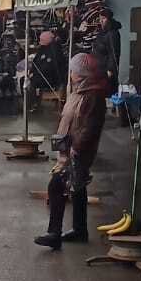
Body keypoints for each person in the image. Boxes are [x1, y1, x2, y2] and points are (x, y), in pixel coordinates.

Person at [35, 51, 107, 251]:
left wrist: (76, 148)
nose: (71, 73)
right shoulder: (80, 90)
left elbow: (90, 127)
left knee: (56, 186)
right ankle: (79, 230)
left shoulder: (93, 95)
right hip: (70, 147)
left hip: (78, 150)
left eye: (73, 70)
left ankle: (54, 233)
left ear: (81, 73)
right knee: (78, 187)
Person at [29, 28, 67, 106]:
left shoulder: (53, 50)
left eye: (41, 40)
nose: (40, 42)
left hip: (51, 78)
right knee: (27, 80)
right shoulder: (44, 49)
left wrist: (34, 74)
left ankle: (33, 103)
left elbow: (49, 67)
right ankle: (33, 102)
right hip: (44, 75)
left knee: (29, 83)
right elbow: (36, 62)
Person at [91, 10, 122, 95]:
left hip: (107, 70)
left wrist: (110, 69)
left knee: (108, 91)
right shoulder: (102, 32)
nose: (101, 21)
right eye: (100, 18)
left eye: (103, 18)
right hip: (100, 68)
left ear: (109, 19)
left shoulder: (112, 33)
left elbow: (114, 53)